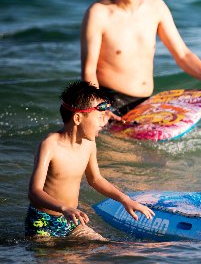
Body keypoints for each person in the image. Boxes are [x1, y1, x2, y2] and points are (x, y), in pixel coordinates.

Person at [26, 80, 155, 240]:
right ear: (78, 118)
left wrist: (125, 200)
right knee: (55, 263)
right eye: (99, 116)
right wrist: (64, 208)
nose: (103, 122)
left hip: (72, 220)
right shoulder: (50, 145)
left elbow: (95, 179)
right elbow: (34, 192)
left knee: (105, 249)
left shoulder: (89, 143)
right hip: (42, 223)